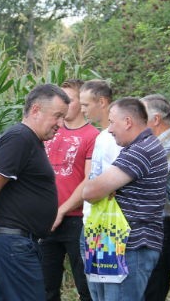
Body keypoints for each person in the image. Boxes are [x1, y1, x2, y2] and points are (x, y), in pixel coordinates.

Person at [0, 84, 70, 301]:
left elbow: (6, 195)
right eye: (57, 116)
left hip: (16, 244)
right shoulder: (20, 138)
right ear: (36, 110)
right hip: (13, 246)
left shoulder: (29, 141)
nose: (61, 124)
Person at [82, 97, 167, 301]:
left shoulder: (140, 151)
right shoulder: (137, 148)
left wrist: (104, 187)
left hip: (132, 247)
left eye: (112, 122)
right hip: (114, 243)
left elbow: (90, 192)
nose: (109, 130)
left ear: (128, 122)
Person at [40, 79, 98, 301]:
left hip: (78, 220)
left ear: (81, 103)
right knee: (46, 286)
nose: (63, 105)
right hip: (46, 220)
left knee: (86, 286)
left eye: (70, 100)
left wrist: (62, 210)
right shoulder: (50, 131)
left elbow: (89, 179)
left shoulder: (92, 135)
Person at [140, 94, 170, 301]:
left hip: (166, 222)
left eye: (142, 115)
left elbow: (146, 180)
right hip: (156, 221)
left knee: (155, 282)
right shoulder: (156, 145)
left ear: (155, 119)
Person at [78, 79, 123, 261]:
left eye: (86, 104)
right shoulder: (100, 136)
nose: (82, 110)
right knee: (94, 284)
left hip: (106, 223)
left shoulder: (117, 139)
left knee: (105, 283)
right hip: (91, 219)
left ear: (102, 102)